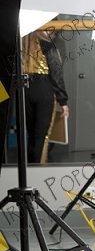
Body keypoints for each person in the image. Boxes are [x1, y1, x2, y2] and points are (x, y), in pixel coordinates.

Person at [20, 28, 69, 163]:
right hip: (44, 87)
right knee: (41, 136)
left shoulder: (22, 41)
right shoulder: (46, 43)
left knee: (31, 134)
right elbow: (56, 71)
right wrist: (63, 101)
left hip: (24, 89)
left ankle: (29, 169)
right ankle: (37, 169)